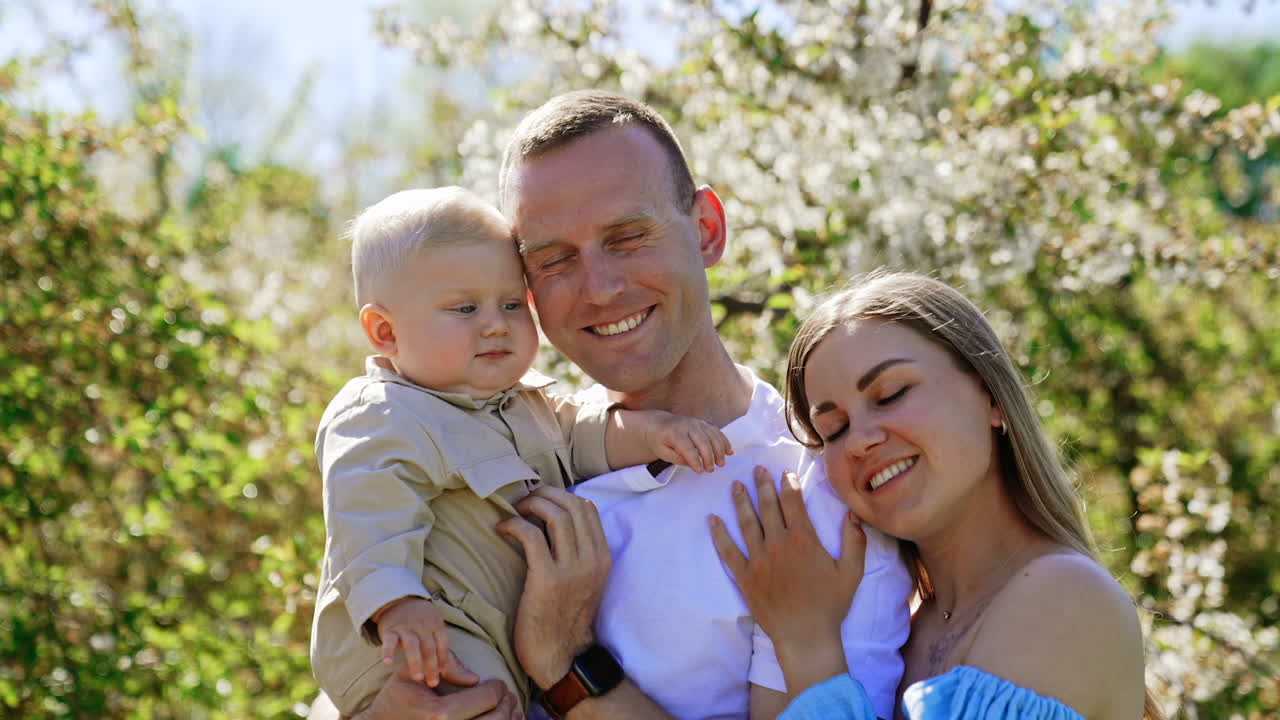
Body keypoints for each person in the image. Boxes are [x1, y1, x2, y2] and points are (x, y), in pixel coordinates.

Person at [321, 90, 915, 720]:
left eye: (628, 237)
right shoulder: (492, 432)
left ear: (707, 230)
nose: (601, 288)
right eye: (553, 261)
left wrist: (567, 662)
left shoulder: (814, 506)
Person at [311, 186, 733, 718]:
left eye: (511, 304)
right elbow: (365, 512)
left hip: (494, 638)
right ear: (385, 330)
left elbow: (586, 432)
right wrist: (397, 604)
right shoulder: (382, 411)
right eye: (464, 308)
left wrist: (655, 434)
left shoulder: (527, 401)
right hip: (424, 635)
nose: (495, 323)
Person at [709, 271, 1166, 720]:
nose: (860, 440)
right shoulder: (898, 633)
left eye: (891, 394)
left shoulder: (1065, 597)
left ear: (991, 397)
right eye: (834, 429)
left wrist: (806, 645)